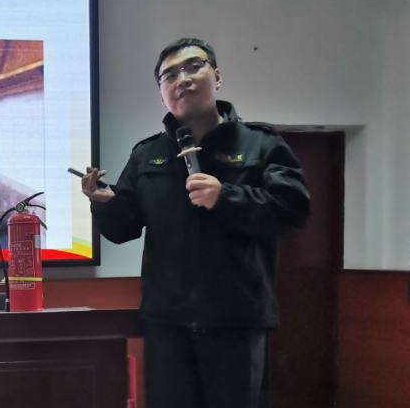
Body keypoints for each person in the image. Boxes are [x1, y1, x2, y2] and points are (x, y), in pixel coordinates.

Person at [81, 38, 310, 408]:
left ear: (216, 76)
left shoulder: (260, 144)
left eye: (193, 67)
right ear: (162, 96)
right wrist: (105, 203)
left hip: (236, 323)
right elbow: (123, 230)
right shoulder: (147, 156)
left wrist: (226, 197)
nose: (182, 79)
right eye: (169, 75)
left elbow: (293, 209)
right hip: (167, 326)